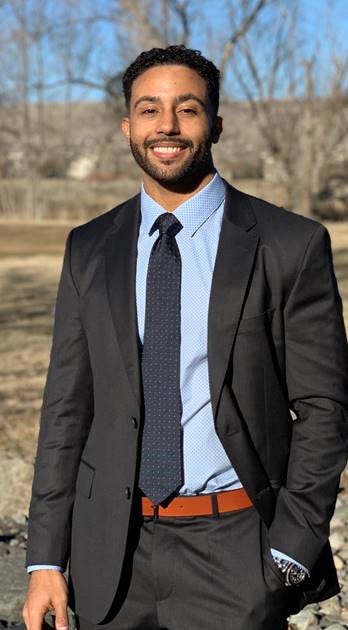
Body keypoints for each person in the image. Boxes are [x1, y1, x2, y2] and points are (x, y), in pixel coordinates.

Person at [22, 45, 348, 630]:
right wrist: (46, 558)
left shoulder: (288, 245)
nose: (166, 126)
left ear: (216, 124)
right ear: (128, 126)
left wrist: (288, 553)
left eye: (187, 109)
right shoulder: (89, 248)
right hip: (109, 559)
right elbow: (66, 412)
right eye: (149, 110)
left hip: (235, 553)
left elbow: (325, 408)